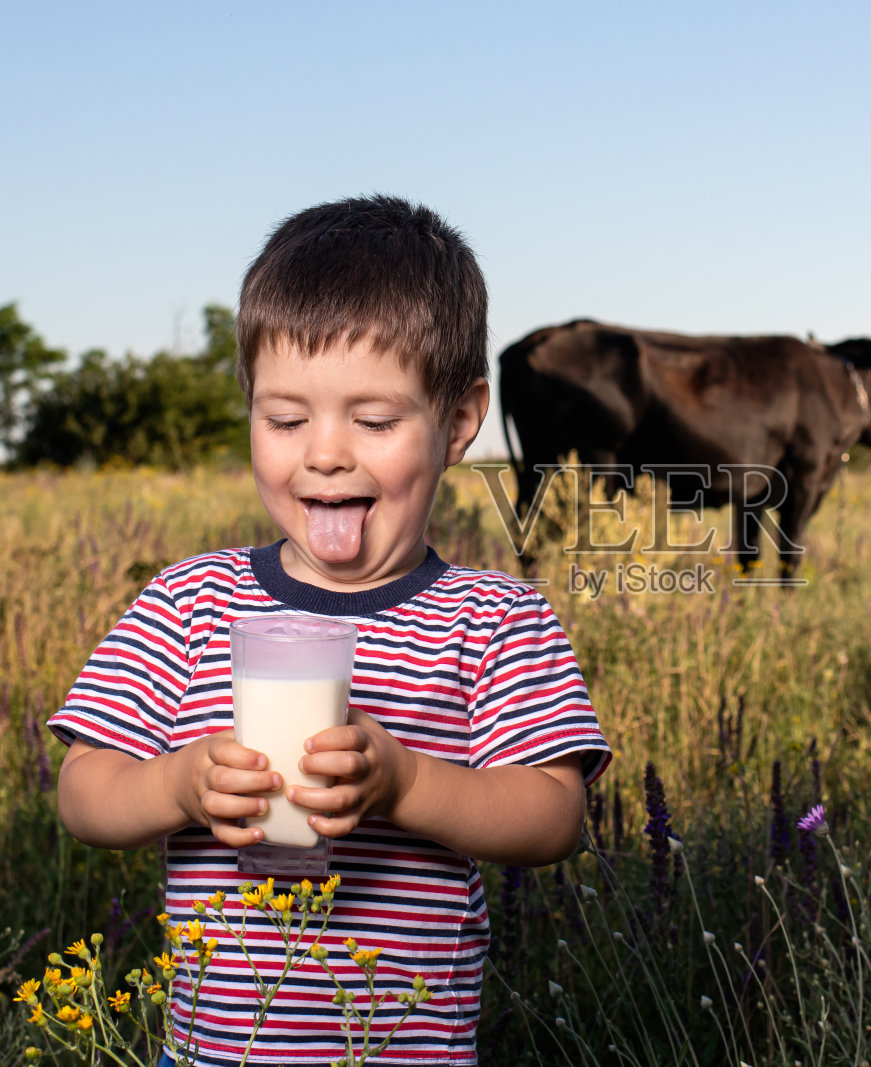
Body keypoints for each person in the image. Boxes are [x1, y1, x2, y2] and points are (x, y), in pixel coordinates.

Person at [49, 195, 610, 1066]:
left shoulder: (495, 620)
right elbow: (84, 789)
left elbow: (553, 815)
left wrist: (402, 782)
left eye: (375, 420)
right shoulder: (188, 601)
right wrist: (180, 787)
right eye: (285, 418)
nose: (325, 452)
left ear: (459, 422)